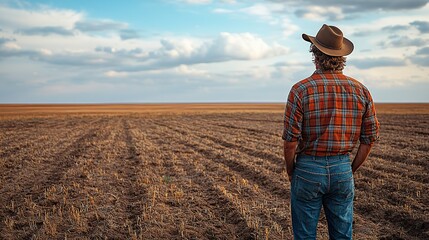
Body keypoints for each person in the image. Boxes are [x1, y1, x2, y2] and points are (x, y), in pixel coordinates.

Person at [282, 24, 380, 239]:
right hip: (342, 169)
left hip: (307, 169)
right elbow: (369, 139)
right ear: (341, 57)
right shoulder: (361, 90)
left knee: (305, 235)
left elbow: (290, 141)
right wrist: (349, 168)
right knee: (342, 235)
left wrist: (291, 170)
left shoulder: (300, 90)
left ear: (315, 54)